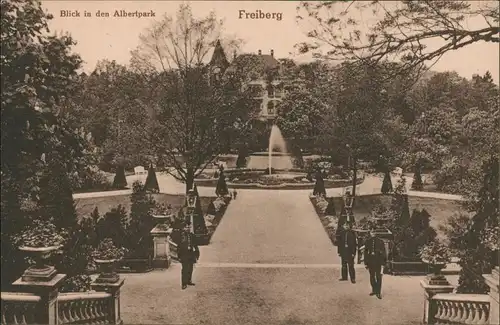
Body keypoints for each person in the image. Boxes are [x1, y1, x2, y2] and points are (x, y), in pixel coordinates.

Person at [364, 227, 387, 299]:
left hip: (378, 261)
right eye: (371, 232)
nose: (373, 233)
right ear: (370, 233)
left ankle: (378, 292)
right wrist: (366, 262)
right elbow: (365, 252)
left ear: (376, 233)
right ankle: (374, 290)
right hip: (371, 261)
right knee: (372, 277)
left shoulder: (380, 241)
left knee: (378, 277)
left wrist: (383, 262)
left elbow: (383, 252)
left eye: (374, 232)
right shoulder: (368, 241)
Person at [178, 221, 200, 290]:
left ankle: (189, 280)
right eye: (186, 227)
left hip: (191, 253)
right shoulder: (181, 236)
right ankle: (184, 283)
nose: (188, 228)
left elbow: (195, 245)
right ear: (183, 228)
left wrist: (197, 254)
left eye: (189, 227)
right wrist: (179, 256)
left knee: (190, 268)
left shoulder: (192, 235)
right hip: (184, 254)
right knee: (185, 269)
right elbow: (178, 247)